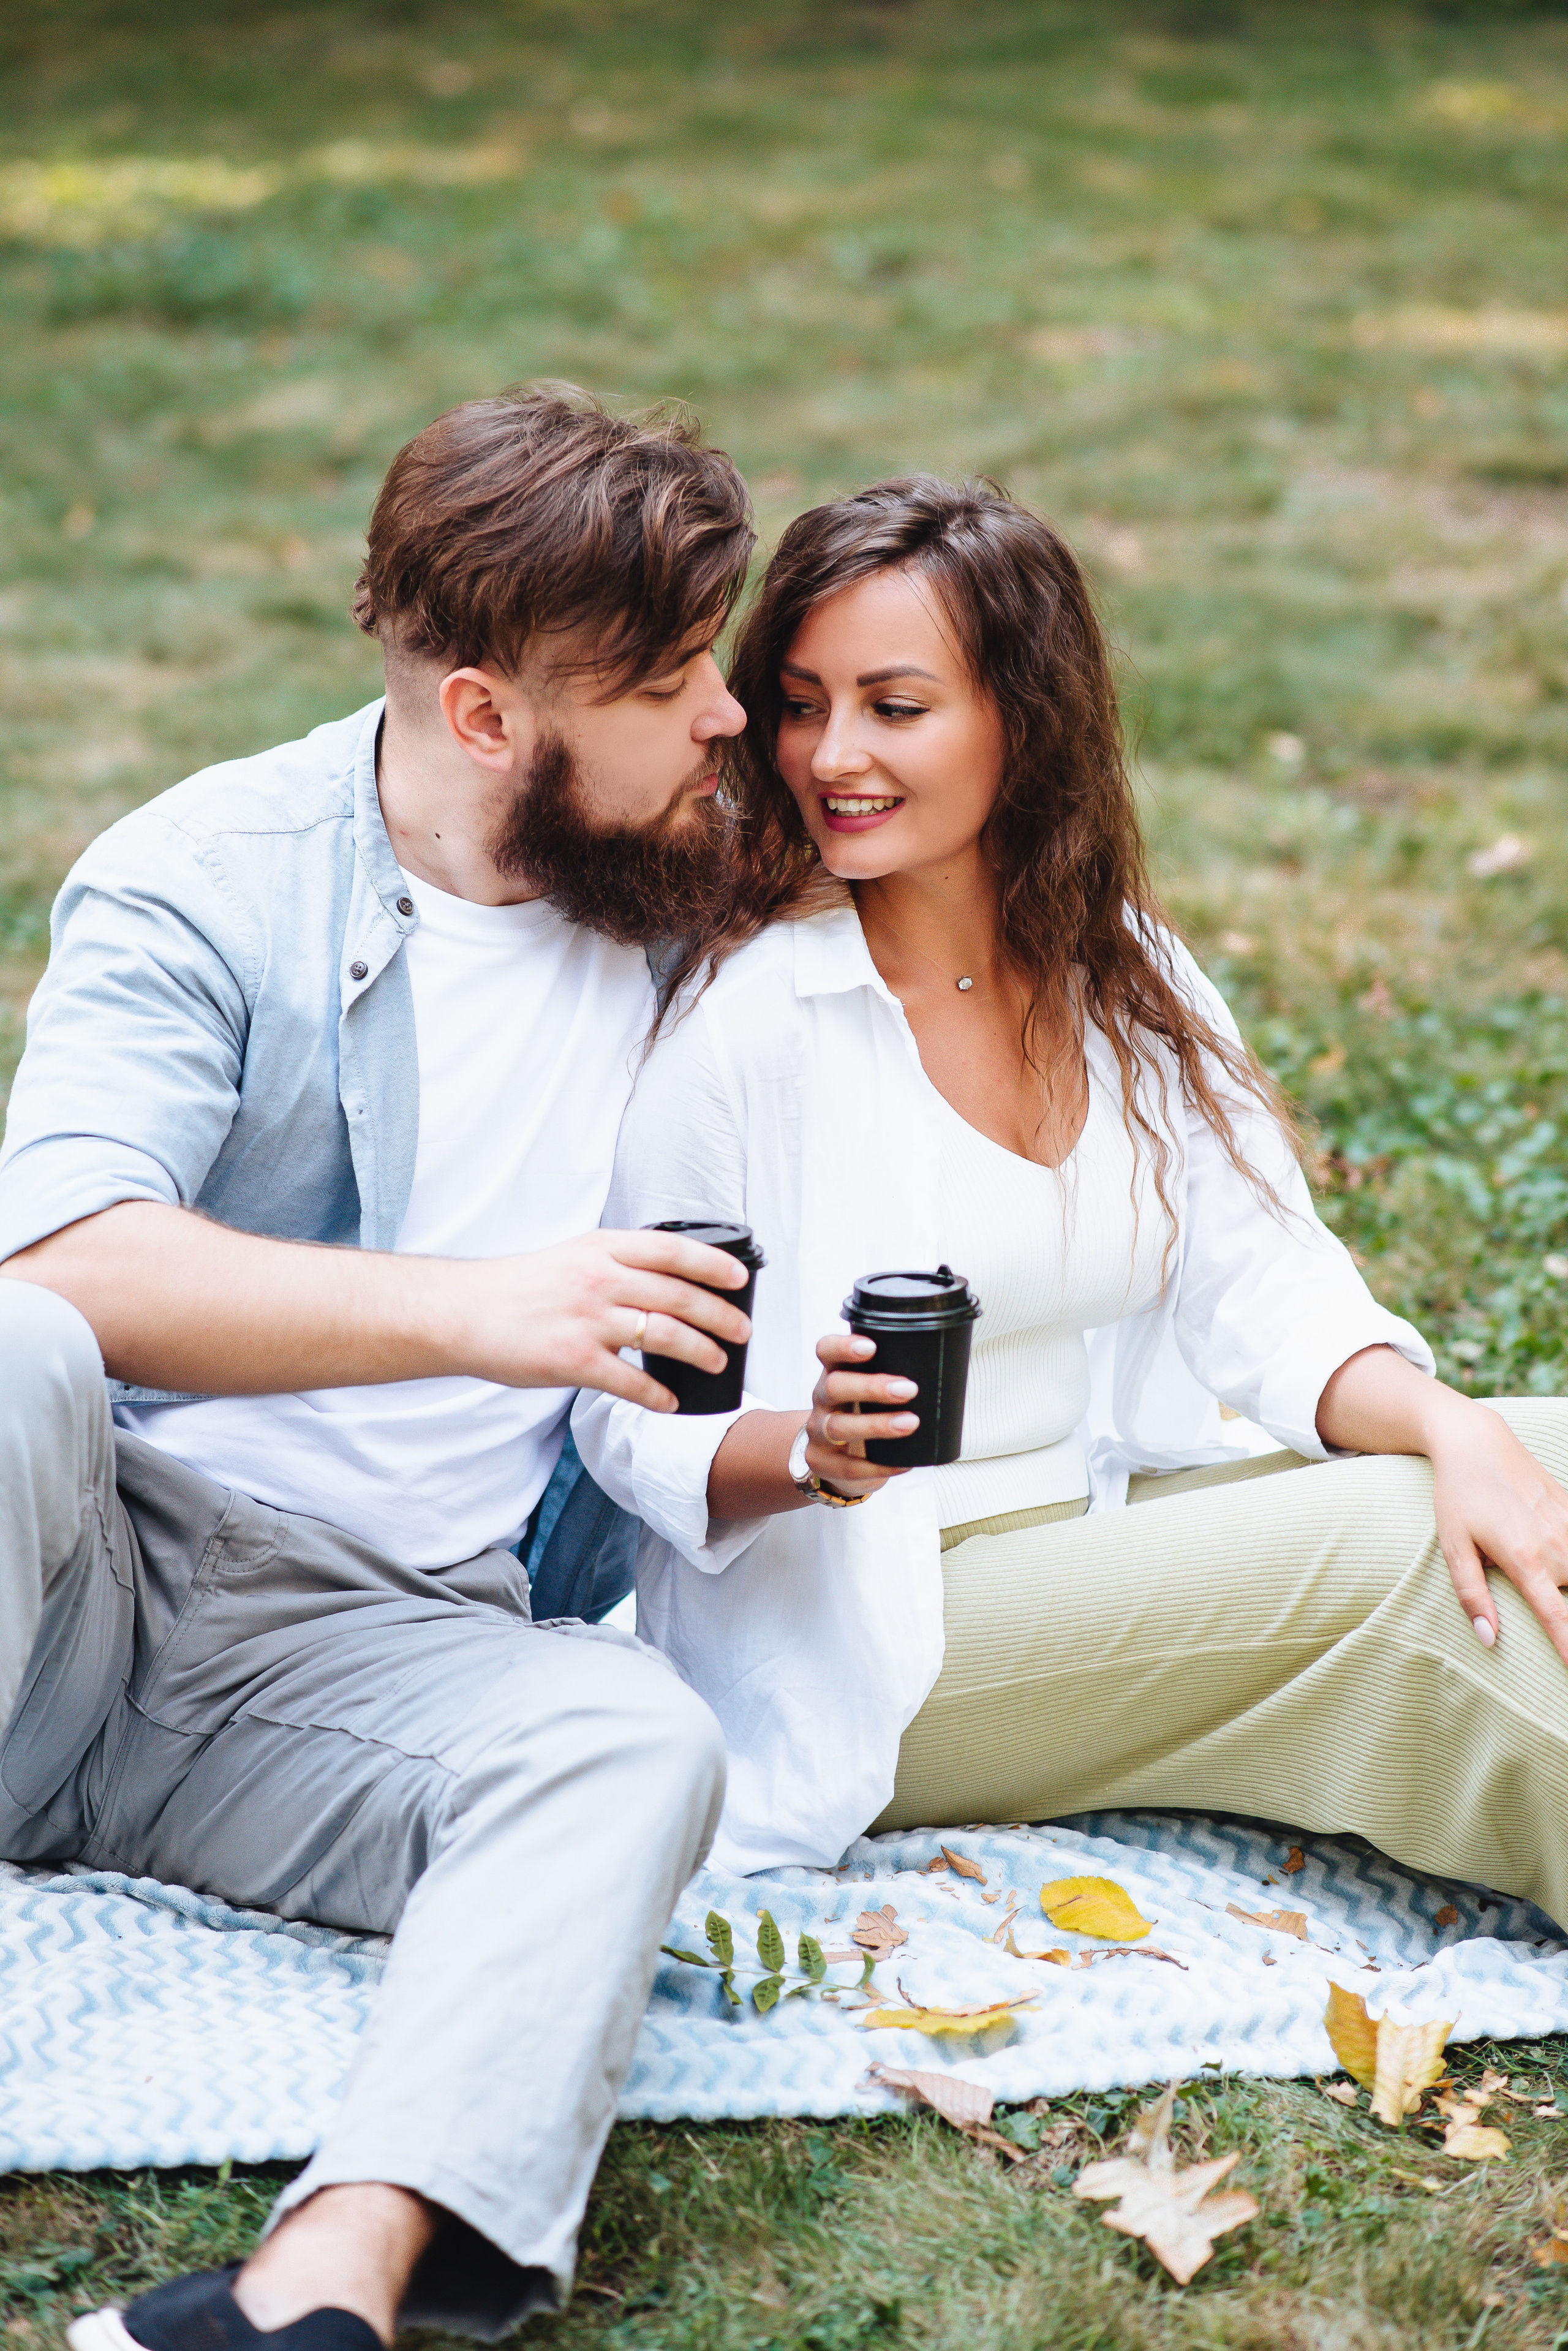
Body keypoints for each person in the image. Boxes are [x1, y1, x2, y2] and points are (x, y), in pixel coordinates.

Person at [0, 388, 760, 2349]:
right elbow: (67, 1251)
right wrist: (477, 1304)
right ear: (490, 717)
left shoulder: (685, 863)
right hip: (84, 1574)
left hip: (367, 1659)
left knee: (631, 1732)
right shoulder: (212, 875)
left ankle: (321, 2289)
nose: (729, 720)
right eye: (675, 678)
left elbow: (1024, 911)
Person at [575, 474, 1568, 1928]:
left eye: (891, 707)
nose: (829, 754)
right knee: (1388, 1561)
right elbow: (623, 1416)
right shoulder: (748, 1023)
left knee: (1525, 1451)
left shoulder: (1128, 972)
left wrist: (1450, 1423)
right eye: (799, 703)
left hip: (1106, 1511)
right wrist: (811, 1455)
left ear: (1019, 721)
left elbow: (1266, 1284)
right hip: (883, 1627)